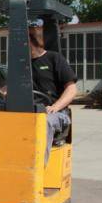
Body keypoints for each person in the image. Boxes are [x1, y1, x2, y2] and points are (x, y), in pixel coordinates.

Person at [28, 27, 78, 163]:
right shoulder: (22, 65)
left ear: (31, 41)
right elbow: (9, 87)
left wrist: (55, 107)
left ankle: (38, 166)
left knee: (44, 122)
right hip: (29, 112)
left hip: (57, 114)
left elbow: (72, 89)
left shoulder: (54, 58)